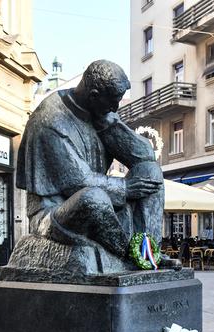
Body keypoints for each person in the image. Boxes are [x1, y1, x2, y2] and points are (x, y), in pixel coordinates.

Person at [12, 60, 164, 274]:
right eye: (112, 102)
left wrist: (111, 125)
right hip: (53, 214)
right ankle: (131, 257)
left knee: (151, 173)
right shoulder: (50, 120)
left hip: (101, 201)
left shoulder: (99, 114)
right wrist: (126, 188)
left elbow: (144, 155)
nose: (115, 108)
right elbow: (76, 183)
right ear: (94, 95)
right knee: (94, 198)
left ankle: (149, 251)